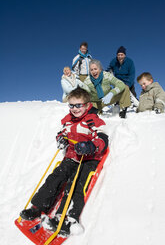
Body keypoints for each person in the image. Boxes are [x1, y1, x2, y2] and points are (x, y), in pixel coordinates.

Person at [20, 87, 108, 236]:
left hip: (88, 159)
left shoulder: (93, 120)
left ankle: (67, 219)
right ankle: (38, 208)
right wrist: (61, 139)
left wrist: (91, 145)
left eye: (78, 105)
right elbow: (62, 133)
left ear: (87, 105)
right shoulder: (68, 121)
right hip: (71, 157)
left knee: (76, 184)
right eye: (71, 105)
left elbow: (103, 138)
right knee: (54, 179)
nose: (74, 109)